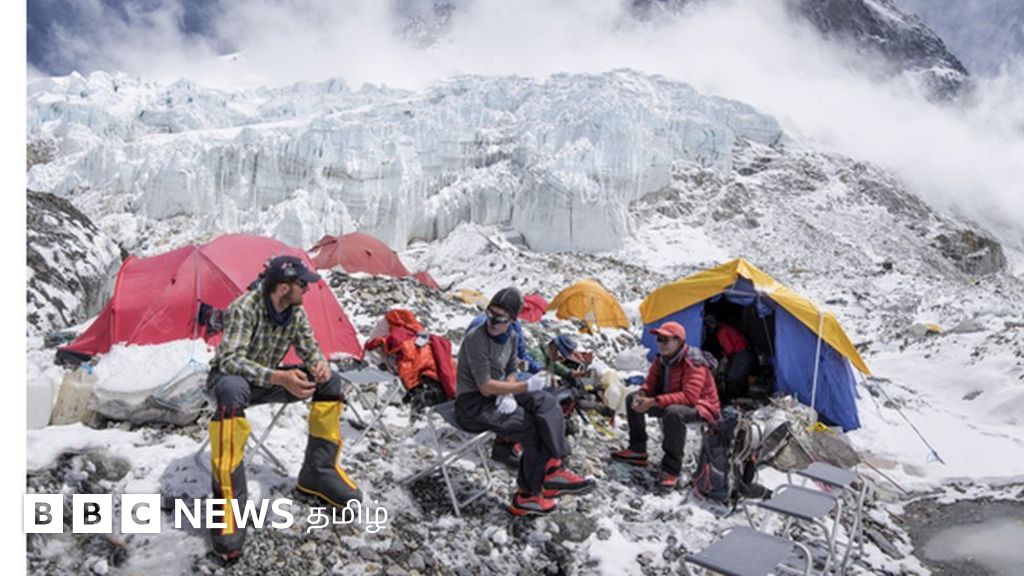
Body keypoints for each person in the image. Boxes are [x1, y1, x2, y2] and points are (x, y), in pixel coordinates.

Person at [205, 255, 362, 560]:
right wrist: (279, 377)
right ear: (283, 287)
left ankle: (318, 472)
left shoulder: (296, 311)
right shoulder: (245, 308)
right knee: (233, 387)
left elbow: (309, 345)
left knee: (330, 383)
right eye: (302, 284)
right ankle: (228, 506)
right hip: (230, 380)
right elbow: (229, 360)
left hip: (267, 377)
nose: (307, 289)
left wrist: (318, 364)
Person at [455, 287, 596, 515]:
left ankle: (553, 468)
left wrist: (509, 391)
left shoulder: (510, 335)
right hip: (473, 403)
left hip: (498, 391)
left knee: (547, 402)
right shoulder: (476, 339)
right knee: (530, 426)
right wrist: (522, 387)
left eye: (500, 318)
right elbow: (485, 385)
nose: (492, 321)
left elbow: (511, 367)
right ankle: (527, 495)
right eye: (490, 314)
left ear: (512, 319)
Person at [611, 321, 721, 488]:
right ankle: (637, 449)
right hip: (672, 398)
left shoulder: (694, 362)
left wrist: (654, 401)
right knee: (631, 398)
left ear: (679, 341)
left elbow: (690, 397)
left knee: (673, 413)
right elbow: (651, 383)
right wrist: (642, 394)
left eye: (666, 340)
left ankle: (671, 468)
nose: (661, 343)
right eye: (659, 339)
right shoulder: (662, 359)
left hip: (702, 406)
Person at [703, 314, 756, 401]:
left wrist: (722, 354)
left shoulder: (722, 332)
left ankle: (731, 398)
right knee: (738, 375)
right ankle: (738, 396)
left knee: (732, 376)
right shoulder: (726, 327)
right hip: (745, 352)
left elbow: (729, 349)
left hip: (741, 353)